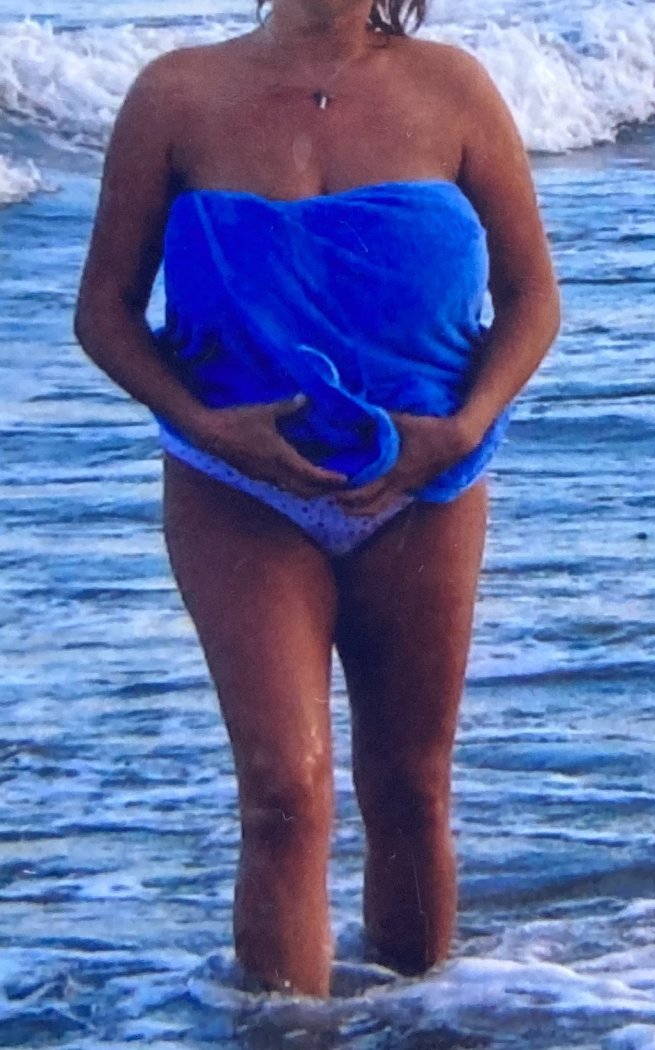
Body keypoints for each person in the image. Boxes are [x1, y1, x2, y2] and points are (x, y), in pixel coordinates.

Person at [74, 0, 560, 999]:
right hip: (236, 484)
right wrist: (204, 424)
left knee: (410, 791)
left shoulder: (453, 87)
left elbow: (532, 296)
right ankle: (286, 1033)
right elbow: (104, 312)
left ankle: (418, 1021)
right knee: (283, 796)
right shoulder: (175, 94)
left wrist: (464, 429)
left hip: (425, 481)